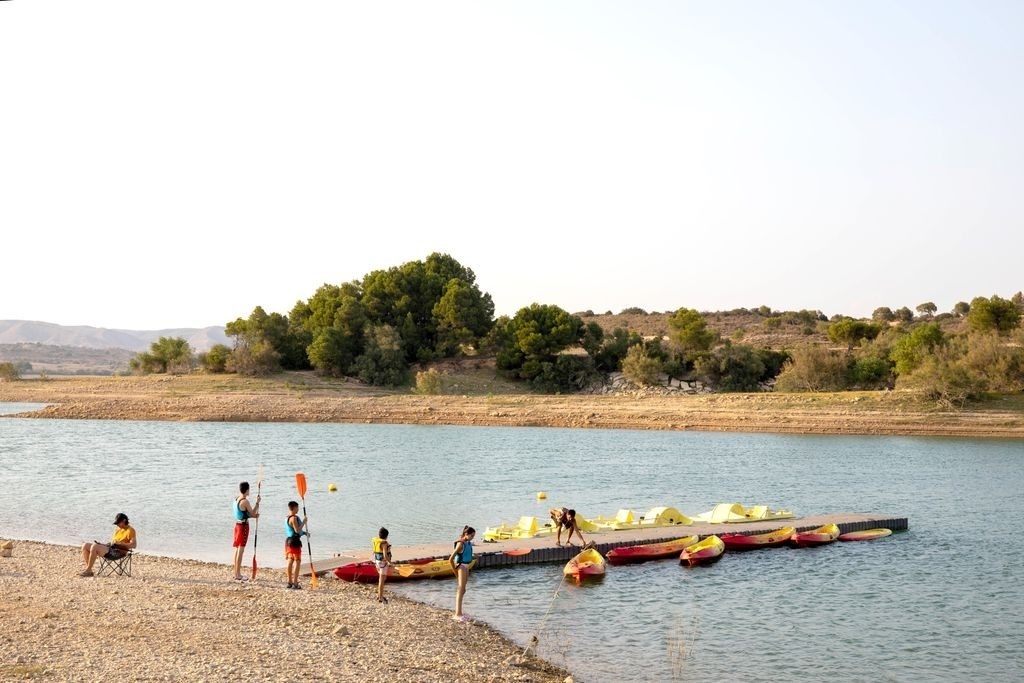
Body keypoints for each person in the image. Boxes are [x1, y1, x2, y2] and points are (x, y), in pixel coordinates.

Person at [79, 512, 137, 577]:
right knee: (85, 545)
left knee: (94, 546)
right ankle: (89, 570)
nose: (117, 525)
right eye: (116, 523)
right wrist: (103, 544)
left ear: (124, 521)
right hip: (111, 549)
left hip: (118, 552)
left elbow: (134, 545)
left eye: (118, 523)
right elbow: (113, 543)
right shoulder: (118, 530)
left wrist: (121, 543)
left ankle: (88, 570)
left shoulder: (131, 530)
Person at [232, 481, 260, 581]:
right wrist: (257, 503)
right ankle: (238, 574)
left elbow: (243, 513)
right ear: (247, 490)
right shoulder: (245, 501)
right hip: (243, 527)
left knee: (236, 549)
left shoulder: (236, 499)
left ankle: (236, 572)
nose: (249, 491)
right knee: (241, 550)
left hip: (237, 526)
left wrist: (252, 515)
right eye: (249, 489)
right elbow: (252, 513)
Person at [448, 525, 475, 621]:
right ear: (466, 534)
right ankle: (457, 614)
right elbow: (450, 559)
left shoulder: (468, 543)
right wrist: (455, 572)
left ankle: (460, 612)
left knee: (463, 590)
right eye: (471, 536)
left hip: (466, 566)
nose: (472, 538)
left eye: (473, 536)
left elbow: (467, 555)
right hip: (461, 566)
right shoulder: (461, 544)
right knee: (460, 589)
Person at [284, 500, 307, 589]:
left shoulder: (287, 517)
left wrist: (304, 533)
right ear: (293, 508)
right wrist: (304, 522)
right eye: (297, 507)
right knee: (297, 561)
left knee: (290, 560)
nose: (298, 509)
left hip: (289, 541)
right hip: (295, 542)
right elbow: (297, 530)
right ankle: (295, 583)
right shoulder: (293, 518)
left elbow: (295, 531)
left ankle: (289, 582)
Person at [371, 527, 392, 603]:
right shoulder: (384, 543)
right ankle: (380, 598)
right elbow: (385, 555)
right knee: (382, 580)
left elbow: (374, 551)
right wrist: (390, 562)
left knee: (382, 578)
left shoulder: (376, 541)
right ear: (386, 536)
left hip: (377, 562)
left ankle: (379, 595)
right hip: (383, 563)